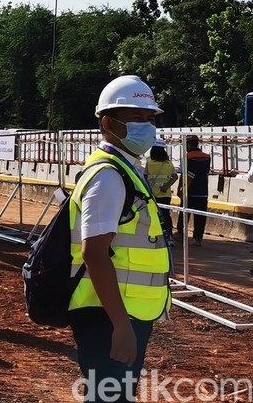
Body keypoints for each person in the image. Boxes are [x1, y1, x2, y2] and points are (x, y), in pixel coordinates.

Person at [68, 75, 171, 403]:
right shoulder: (108, 176)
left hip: (121, 311)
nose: (146, 125)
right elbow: (94, 254)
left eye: (150, 118)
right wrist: (121, 326)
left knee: (114, 396)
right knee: (108, 398)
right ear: (108, 123)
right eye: (136, 118)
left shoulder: (126, 169)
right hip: (109, 315)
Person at [175, 134, 211, 247]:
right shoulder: (207, 157)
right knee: (200, 216)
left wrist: (182, 189)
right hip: (203, 191)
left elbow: (189, 175)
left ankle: (180, 234)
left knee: (184, 213)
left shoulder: (188, 157)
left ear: (188, 144)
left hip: (190, 191)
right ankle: (198, 238)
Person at [143, 137, 178, 234]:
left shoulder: (149, 162)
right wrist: (166, 187)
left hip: (152, 194)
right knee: (166, 215)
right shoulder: (169, 163)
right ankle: (169, 235)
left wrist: (149, 187)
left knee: (153, 215)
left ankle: (156, 234)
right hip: (165, 194)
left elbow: (144, 177)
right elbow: (175, 177)